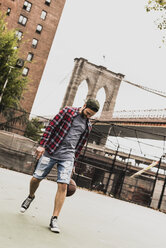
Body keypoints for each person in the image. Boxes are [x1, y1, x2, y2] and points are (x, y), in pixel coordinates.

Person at [20, 98, 100, 233]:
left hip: (68, 156)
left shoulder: (88, 126)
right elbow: (51, 127)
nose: (88, 116)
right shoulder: (67, 111)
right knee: (36, 178)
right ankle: (31, 196)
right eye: (87, 113)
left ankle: (54, 218)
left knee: (63, 185)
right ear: (84, 105)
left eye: (91, 115)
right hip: (51, 150)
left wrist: (73, 162)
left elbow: (80, 145)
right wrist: (42, 145)